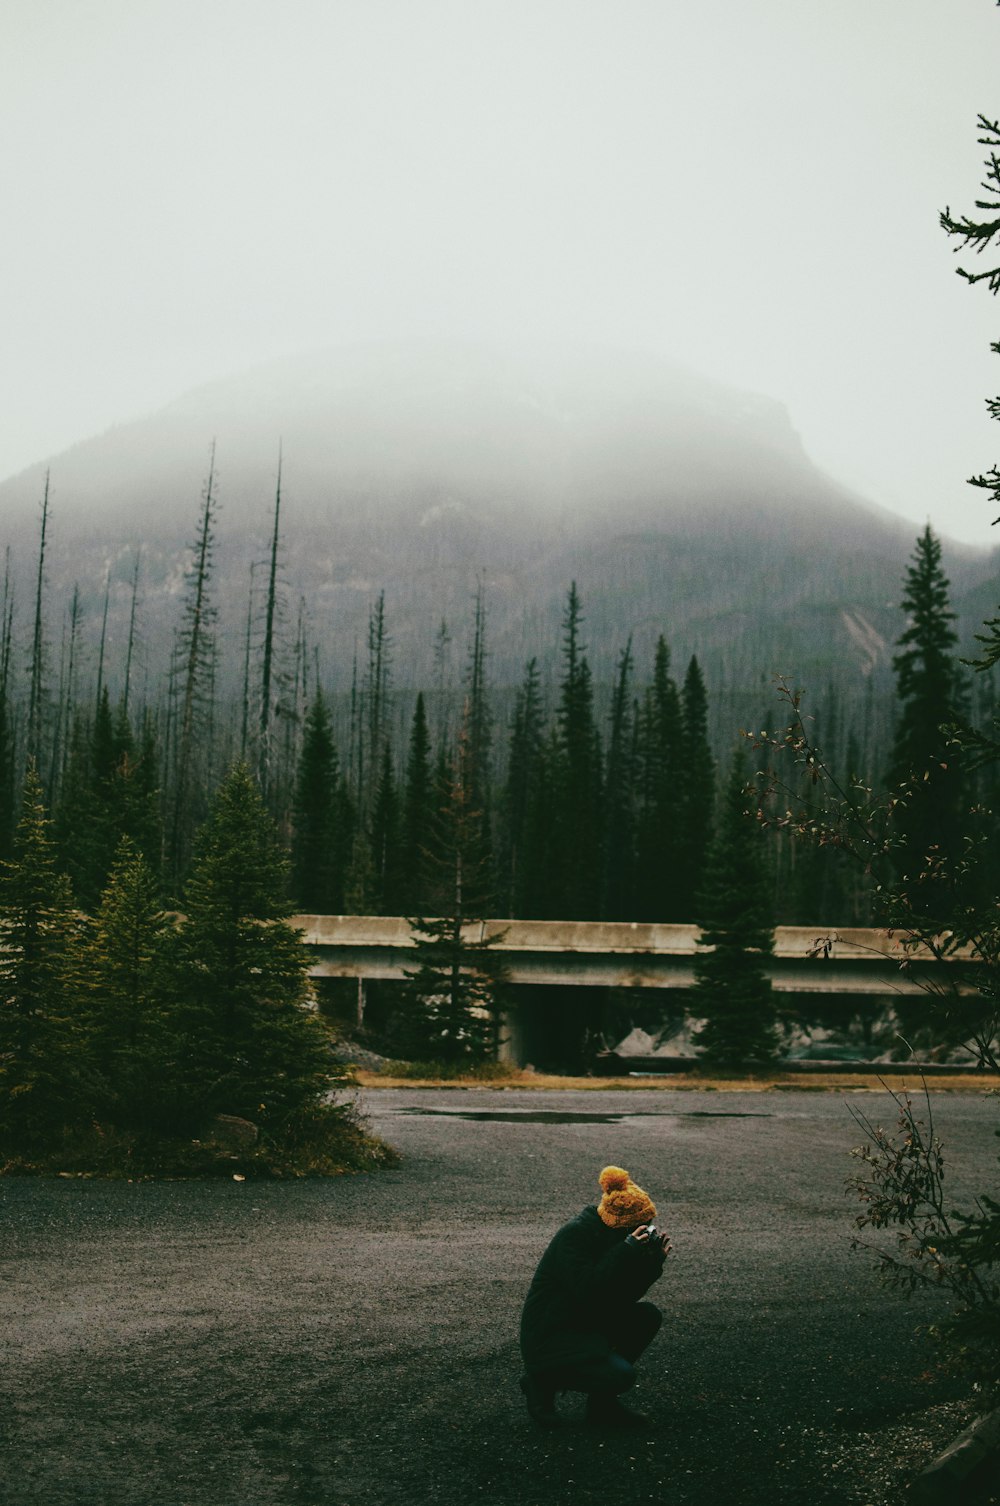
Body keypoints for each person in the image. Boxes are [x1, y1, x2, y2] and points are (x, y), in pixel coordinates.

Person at [519, 1165, 670, 1430]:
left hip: (584, 1322)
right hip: (551, 1334)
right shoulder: (575, 1236)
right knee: (621, 1376)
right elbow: (590, 1292)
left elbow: (618, 1300)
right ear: (622, 1226)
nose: (646, 1232)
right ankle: (540, 1381)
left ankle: (602, 1407)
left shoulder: (613, 1240)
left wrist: (650, 1265)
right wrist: (625, 1253)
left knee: (646, 1316)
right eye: (642, 1227)